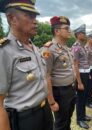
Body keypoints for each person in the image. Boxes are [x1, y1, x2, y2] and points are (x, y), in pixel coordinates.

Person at [0, 0, 53, 130]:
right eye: (29, 15)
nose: (35, 21)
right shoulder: (4, 51)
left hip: (44, 110)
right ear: (12, 18)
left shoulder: (33, 47)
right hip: (25, 119)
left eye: (35, 16)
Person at [41, 16, 76, 130]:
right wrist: (51, 102)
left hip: (70, 89)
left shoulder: (66, 48)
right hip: (59, 92)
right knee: (61, 123)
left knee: (68, 119)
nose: (69, 31)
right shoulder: (48, 49)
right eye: (66, 28)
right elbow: (46, 76)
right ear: (57, 31)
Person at [72, 24, 92, 129]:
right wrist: (79, 82)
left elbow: (86, 63)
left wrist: (88, 74)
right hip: (80, 75)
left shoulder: (82, 46)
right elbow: (75, 65)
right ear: (78, 34)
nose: (85, 35)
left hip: (85, 74)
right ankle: (79, 119)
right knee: (80, 98)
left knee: (84, 97)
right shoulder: (76, 47)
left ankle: (83, 115)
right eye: (83, 33)